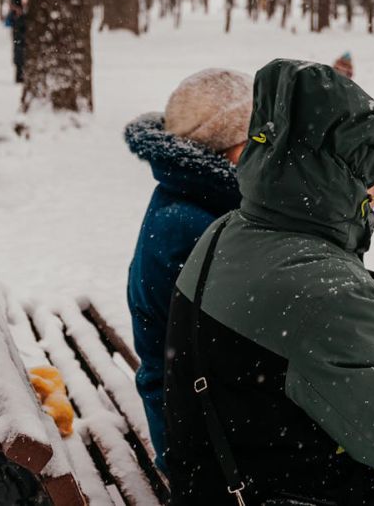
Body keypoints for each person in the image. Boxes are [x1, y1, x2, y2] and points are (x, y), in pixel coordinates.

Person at [164, 59, 374, 505]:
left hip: (214, 484)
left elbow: (279, 331)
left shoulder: (228, 231)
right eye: (372, 187)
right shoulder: (324, 291)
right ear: (341, 183)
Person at [125, 69, 252, 473]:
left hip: (197, 430)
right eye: (255, 141)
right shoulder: (193, 226)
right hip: (204, 455)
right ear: (220, 146)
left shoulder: (194, 200)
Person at [5, 0, 26, 83]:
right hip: (16, 39)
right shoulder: (12, 15)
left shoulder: (24, 15)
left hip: (23, 40)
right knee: (17, 59)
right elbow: (7, 23)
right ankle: (18, 77)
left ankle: (22, 76)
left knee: (22, 58)